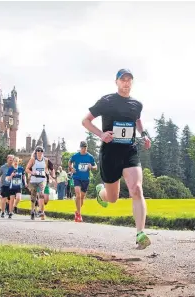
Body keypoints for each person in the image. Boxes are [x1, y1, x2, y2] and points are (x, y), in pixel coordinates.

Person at [82, 69, 152, 249]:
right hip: (110, 153)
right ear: (116, 82)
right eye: (123, 80)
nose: (126, 83)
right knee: (112, 198)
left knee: (136, 189)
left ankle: (140, 233)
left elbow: (137, 119)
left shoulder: (137, 104)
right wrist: (101, 134)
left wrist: (143, 135)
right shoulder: (107, 101)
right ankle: (101, 193)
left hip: (129, 151)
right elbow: (86, 121)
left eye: (129, 80)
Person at [68, 140, 97, 222]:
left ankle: (77, 212)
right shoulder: (76, 156)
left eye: (85, 147)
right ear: (80, 148)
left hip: (85, 179)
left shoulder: (90, 157)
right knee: (78, 195)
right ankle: (79, 215)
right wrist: (71, 168)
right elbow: (69, 162)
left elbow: (96, 167)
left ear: (86, 147)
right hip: (77, 177)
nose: (84, 149)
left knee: (82, 198)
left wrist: (91, 167)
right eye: (82, 147)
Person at [25, 146, 49, 220]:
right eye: (38, 151)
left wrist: (49, 176)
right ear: (36, 152)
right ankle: (32, 211)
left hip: (42, 180)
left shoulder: (45, 160)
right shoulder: (33, 160)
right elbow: (26, 169)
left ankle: (41, 211)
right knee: (33, 197)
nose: (39, 152)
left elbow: (46, 169)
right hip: (33, 180)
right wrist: (32, 172)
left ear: (43, 152)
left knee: (41, 193)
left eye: (41, 151)